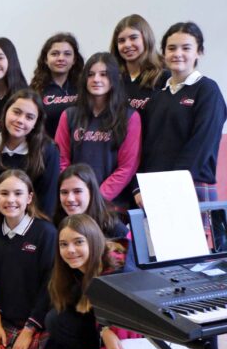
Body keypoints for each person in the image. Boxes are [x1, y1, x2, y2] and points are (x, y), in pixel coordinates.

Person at [133, 21, 227, 349]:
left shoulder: (208, 91)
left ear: (198, 51)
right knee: (162, 278)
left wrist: (163, 193)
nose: (178, 54)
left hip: (190, 194)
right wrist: (143, 191)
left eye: (186, 48)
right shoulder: (159, 93)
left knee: (200, 277)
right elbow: (147, 148)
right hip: (152, 195)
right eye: (172, 48)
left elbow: (199, 148)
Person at [48, 214, 193, 349]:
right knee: (57, 320)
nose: (70, 250)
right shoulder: (82, 272)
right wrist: (104, 330)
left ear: (94, 241)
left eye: (78, 242)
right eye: (63, 244)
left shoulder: (117, 278)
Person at [0, 170, 57, 349]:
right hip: (6, 322)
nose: (10, 199)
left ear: (29, 198)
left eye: (18, 193)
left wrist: (29, 330)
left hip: (37, 324)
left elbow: (49, 286)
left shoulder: (45, 232)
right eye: (4, 193)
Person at [55, 52, 141, 208]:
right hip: (75, 203)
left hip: (111, 205)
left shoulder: (130, 117)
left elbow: (127, 167)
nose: (96, 79)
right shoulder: (69, 115)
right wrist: (76, 194)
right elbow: (61, 160)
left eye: (103, 74)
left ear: (114, 80)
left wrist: (96, 197)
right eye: (91, 74)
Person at [0, 89, 60, 215]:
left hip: (34, 225)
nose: (20, 120)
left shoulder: (49, 151)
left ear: (36, 123)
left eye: (29, 117)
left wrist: (23, 228)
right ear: (5, 111)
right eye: (16, 112)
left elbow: (47, 202)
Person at [110, 14, 168, 113]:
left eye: (133, 38)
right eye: (121, 41)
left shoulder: (164, 77)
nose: (127, 45)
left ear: (146, 39)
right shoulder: (113, 78)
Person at [30, 32, 84, 138]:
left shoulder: (83, 88)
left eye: (67, 54)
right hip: (45, 150)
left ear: (74, 60)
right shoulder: (34, 90)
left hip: (77, 149)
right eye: (55, 54)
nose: (61, 58)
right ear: (45, 59)